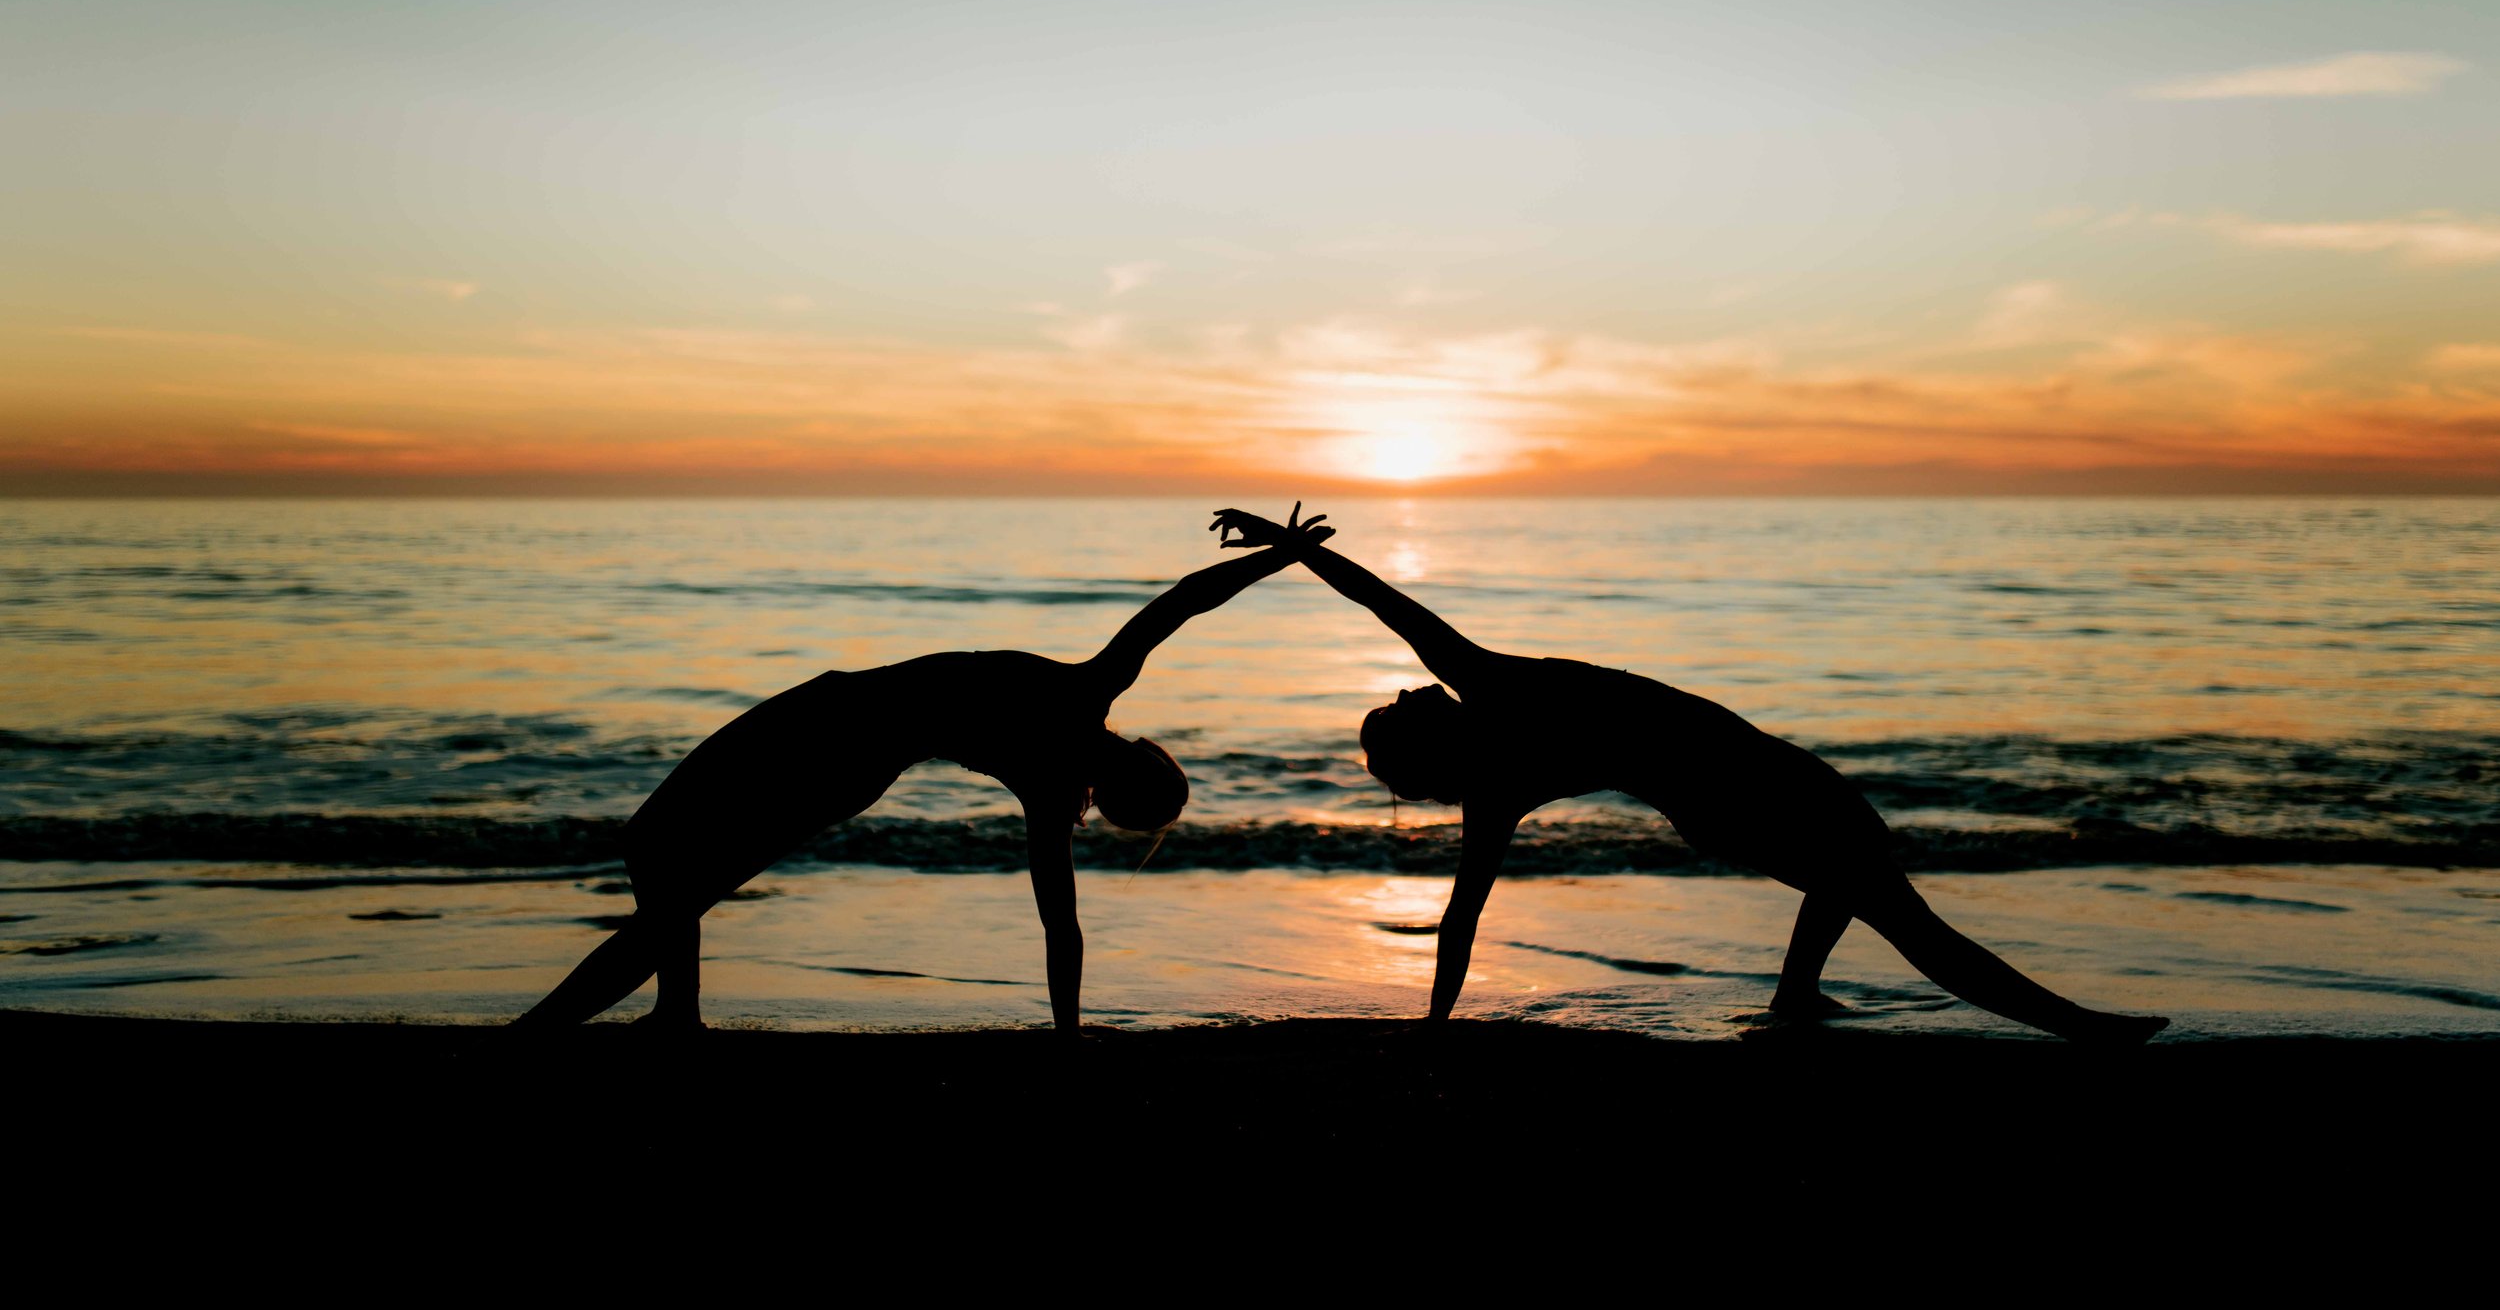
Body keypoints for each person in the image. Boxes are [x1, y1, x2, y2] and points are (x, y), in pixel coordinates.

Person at [1211, 507, 2166, 1044]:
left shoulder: (1488, 748)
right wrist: (1293, 549)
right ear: (1436, 730)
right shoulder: (1487, 699)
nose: (1423, 686)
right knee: (1889, 898)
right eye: (1415, 707)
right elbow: (1392, 609)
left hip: (1732, 788)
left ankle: (1797, 994)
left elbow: (1464, 910)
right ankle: (2079, 1028)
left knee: (1861, 867)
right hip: (1740, 785)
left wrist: (1293, 548)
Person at [516, 505, 1338, 1033]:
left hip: (834, 733)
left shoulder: (1078, 724)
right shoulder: (1078, 724)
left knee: (666, 859)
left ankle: (569, 1028)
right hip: (837, 732)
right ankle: (672, 1014)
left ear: (1138, 761)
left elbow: (1184, 600)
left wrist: (1284, 551)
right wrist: (1281, 551)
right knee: (667, 863)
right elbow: (1187, 600)